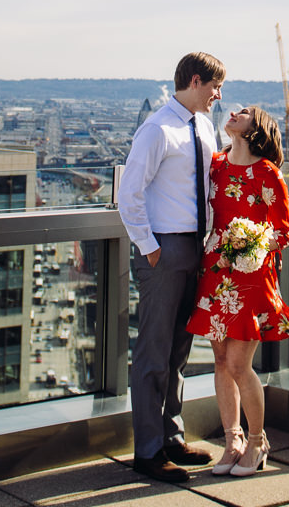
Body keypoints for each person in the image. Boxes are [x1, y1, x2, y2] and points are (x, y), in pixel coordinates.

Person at [117, 51, 224, 483]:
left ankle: (171, 438)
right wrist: (150, 248)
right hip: (165, 248)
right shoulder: (158, 129)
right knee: (153, 352)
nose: (219, 95)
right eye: (215, 86)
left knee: (179, 350)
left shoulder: (203, 127)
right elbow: (130, 192)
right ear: (195, 81)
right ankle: (147, 451)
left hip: (195, 248)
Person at [185, 103, 289, 477]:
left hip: (250, 275)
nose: (234, 112)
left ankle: (257, 441)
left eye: (245, 112)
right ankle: (232, 440)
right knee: (220, 362)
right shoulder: (216, 166)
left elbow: (284, 232)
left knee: (239, 364)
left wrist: (248, 243)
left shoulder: (267, 174)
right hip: (216, 271)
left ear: (257, 129)